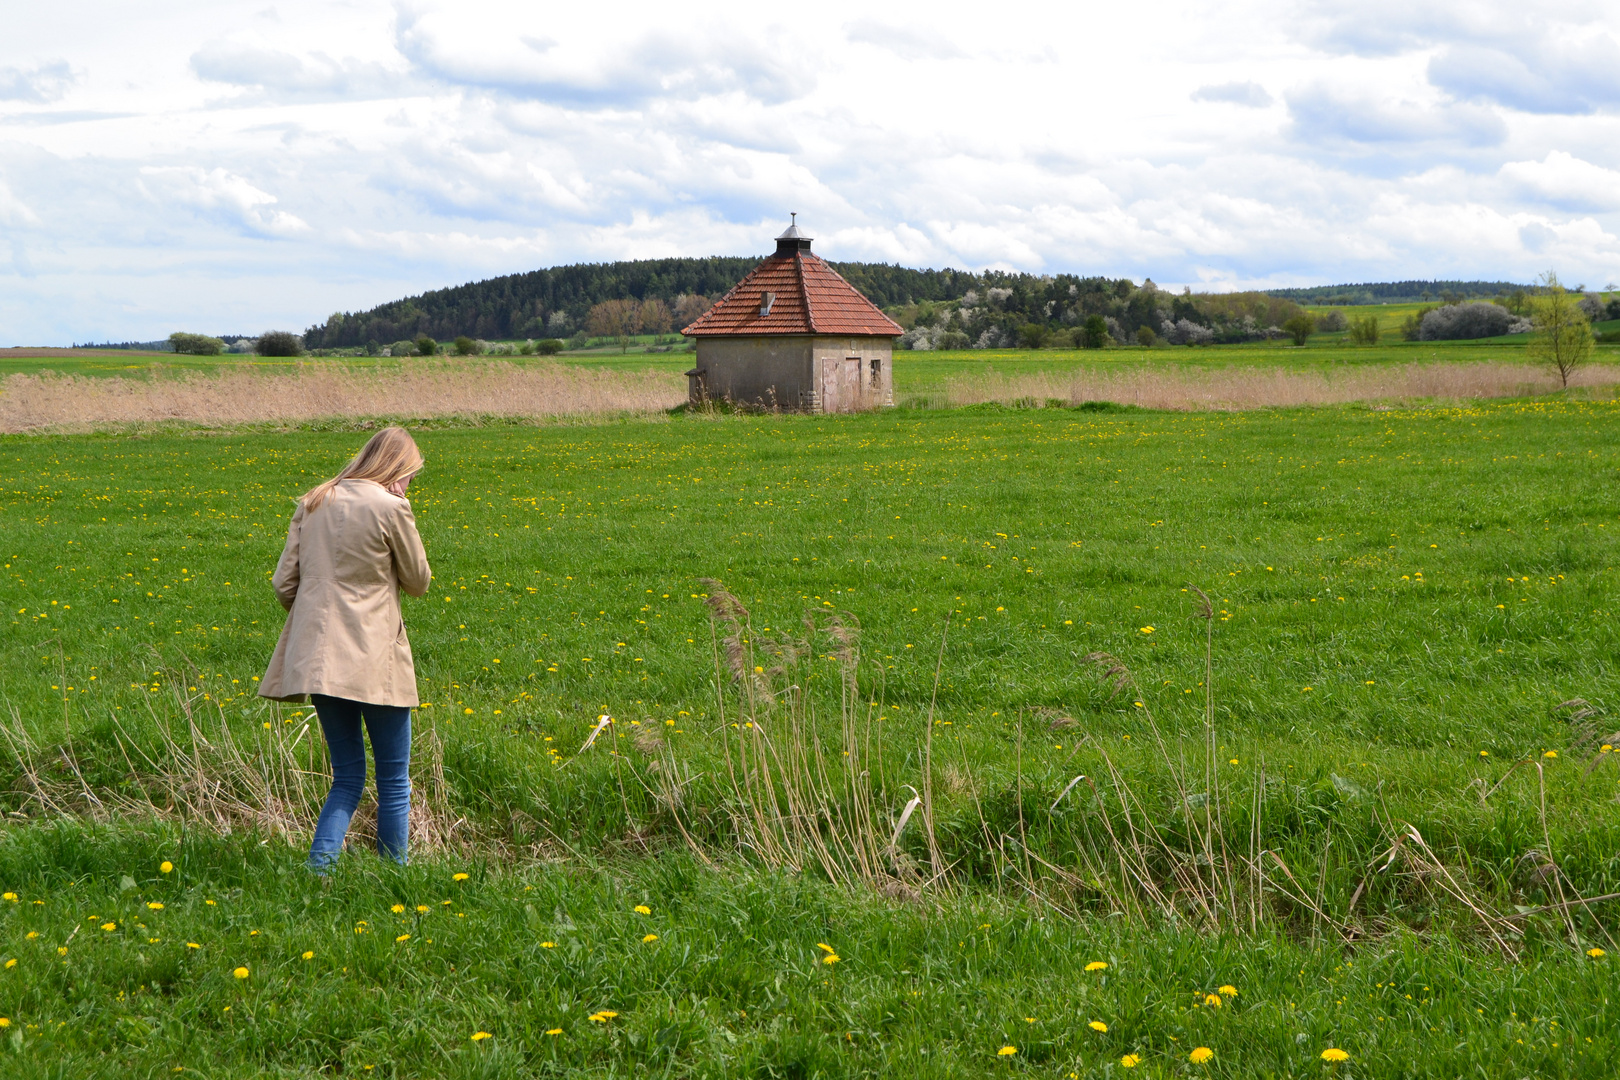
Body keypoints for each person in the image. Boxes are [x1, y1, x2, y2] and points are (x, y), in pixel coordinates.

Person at [259, 426, 431, 870]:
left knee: (347, 777)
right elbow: (417, 582)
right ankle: (396, 876)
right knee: (394, 780)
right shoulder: (392, 507)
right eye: (411, 474)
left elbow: (284, 584)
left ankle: (319, 873)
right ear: (398, 469)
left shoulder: (314, 501)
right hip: (376, 659)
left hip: (318, 658)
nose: (411, 483)